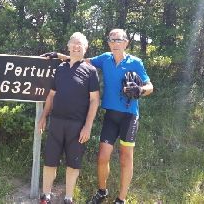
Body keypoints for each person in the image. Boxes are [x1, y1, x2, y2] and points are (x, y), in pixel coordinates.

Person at [53, 29, 153, 204]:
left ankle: (121, 199)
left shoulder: (135, 62)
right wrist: (59, 55)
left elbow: (150, 86)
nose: (115, 43)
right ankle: (102, 191)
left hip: (129, 117)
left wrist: (141, 90)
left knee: (125, 157)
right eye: (112, 40)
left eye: (119, 40)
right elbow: (81, 60)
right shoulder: (105, 58)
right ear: (109, 43)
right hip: (110, 116)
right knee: (102, 157)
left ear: (126, 43)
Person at [38, 32, 100, 204]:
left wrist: (88, 126)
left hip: (77, 126)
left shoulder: (90, 71)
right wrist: (43, 117)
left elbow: (95, 100)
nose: (76, 46)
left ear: (85, 48)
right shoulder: (60, 68)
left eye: (80, 44)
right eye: (73, 43)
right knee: (50, 160)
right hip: (56, 122)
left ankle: (68, 198)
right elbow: (51, 96)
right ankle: (45, 196)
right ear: (68, 46)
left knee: (73, 164)